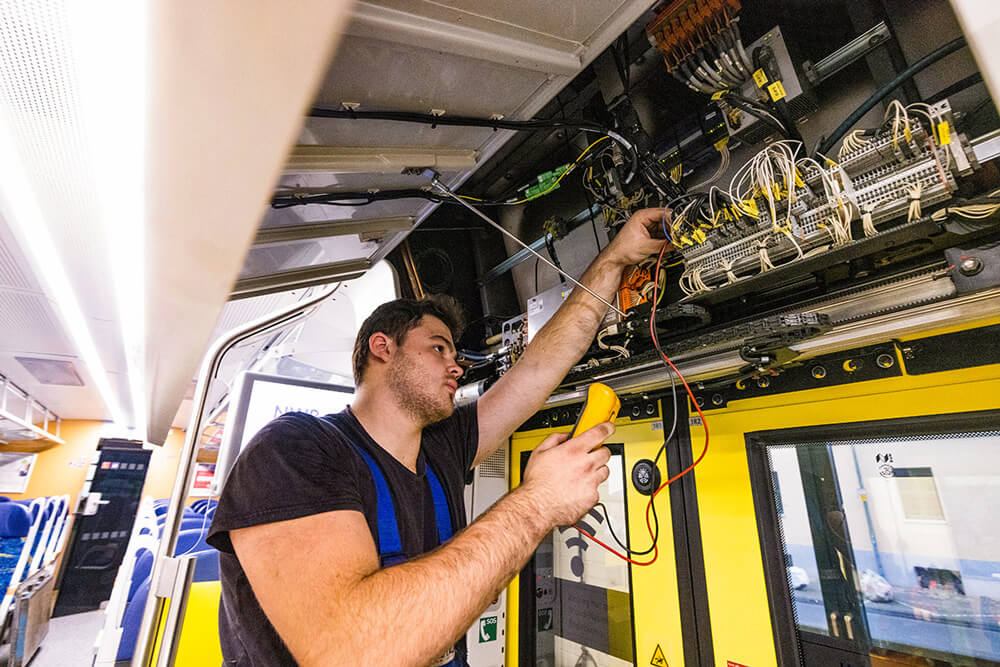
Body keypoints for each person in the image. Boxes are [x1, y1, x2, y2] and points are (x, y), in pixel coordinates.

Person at [206, 208, 668, 666]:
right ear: (382, 347)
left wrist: (614, 260)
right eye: (438, 347)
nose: (457, 364)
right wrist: (539, 502)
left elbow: (538, 367)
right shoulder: (293, 451)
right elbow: (351, 651)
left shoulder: (441, 447)